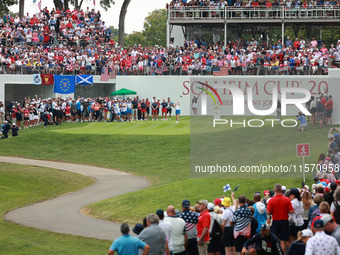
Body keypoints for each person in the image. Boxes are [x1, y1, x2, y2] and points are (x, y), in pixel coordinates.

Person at [266, 184, 294, 254]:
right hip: (284, 221)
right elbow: (291, 211)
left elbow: (268, 212)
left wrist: (273, 212)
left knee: (274, 240)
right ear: (281, 190)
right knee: (283, 241)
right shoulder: (287, 199)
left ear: (275, 191)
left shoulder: (271, 200)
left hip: (275, 221)